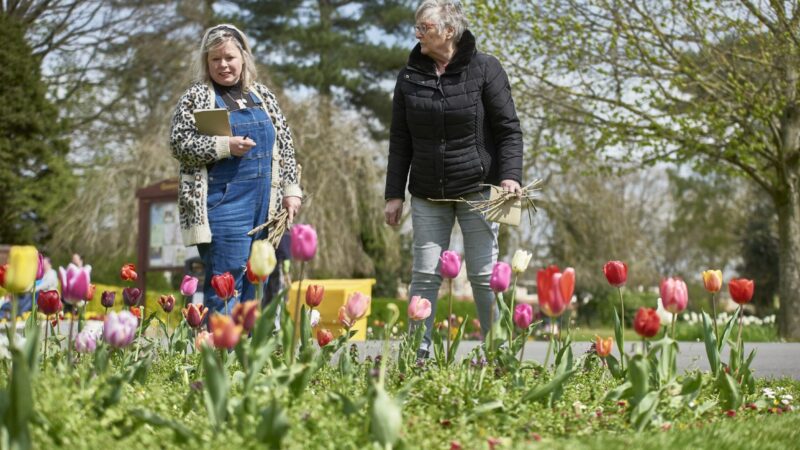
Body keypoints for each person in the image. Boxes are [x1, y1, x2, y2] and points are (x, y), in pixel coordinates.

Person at [384, 0, 523, 358]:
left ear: (449, 31)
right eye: (417, 27)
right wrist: (393, 194)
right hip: (428, 193)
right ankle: (417, 357)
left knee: (484, 274)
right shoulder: (409, 77)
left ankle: (498, 355)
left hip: (479, 190)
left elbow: (508, 130)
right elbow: (400, 140)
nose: (417, 33)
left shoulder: (485, 68)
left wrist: (509, 176)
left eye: (425, 27)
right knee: (425, 275)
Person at [170, 24, 303, 315]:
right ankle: (220, 358)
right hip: (222, 203)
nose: (223, 65)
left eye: (229, 57)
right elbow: (179, 144)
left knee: (258, 286)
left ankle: (250, 358)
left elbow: (286, 146)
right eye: (215, 59)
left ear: (243, 57)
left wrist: (292, 192)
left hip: (265, 207)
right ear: (206, 62)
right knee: (225, 284)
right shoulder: (195, 97)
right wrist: (224, 146)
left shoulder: (264, 96)